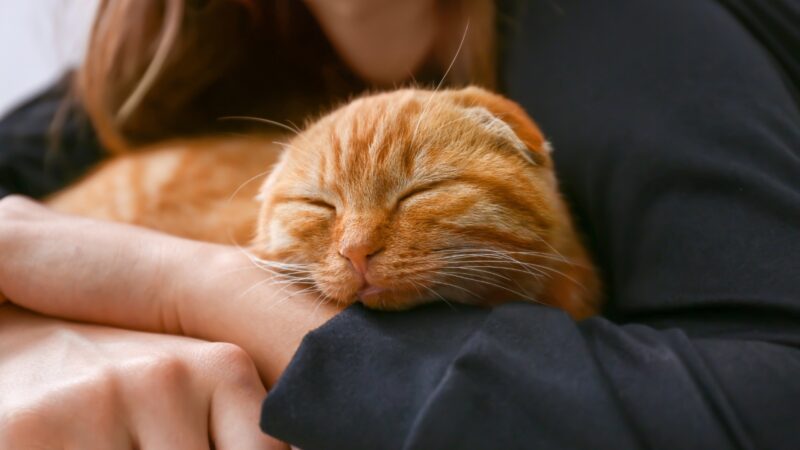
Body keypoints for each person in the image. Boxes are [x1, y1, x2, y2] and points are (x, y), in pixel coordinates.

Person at [1, 0, 799, 449]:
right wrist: (26, 329)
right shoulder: (197, 37)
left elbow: (772, 405)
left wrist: (190, 286)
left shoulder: (626, 30)